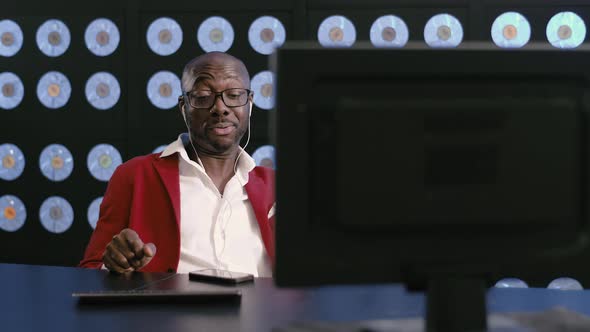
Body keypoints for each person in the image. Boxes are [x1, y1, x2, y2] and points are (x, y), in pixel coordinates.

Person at [79, 52, 275, 277]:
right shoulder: (134, 176)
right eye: (203, 96)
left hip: (262, 311)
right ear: (184, 107)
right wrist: (114, 264)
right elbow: (89, 271)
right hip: (166, 312)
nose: (220, 107)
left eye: (234, 95)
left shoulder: (278, 186)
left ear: (249, 104)